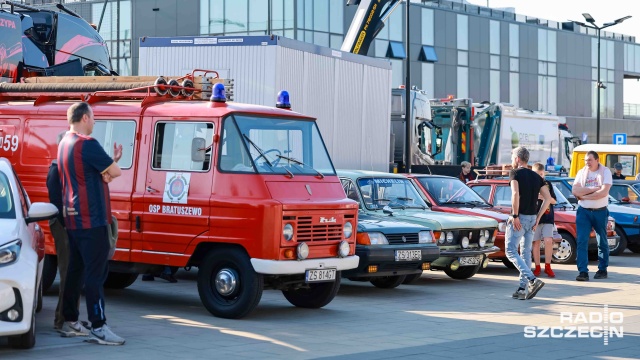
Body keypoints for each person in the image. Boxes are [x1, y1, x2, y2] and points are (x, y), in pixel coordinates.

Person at [57, 102, 125, 345]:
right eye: (94, 117)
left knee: (75, 271)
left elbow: (93, 173)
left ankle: (71, 321)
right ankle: (99, 325)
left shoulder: (64, 143)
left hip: (73, 219)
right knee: (96, 274)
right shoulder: (88, 144)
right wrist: (112, 165)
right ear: (85, 117)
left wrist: (109, 164)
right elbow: (115, 173)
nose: (95, 122)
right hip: (92, 219)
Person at [506, 146, 552, 300]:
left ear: (518, 159)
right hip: (532, 218)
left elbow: (515, 193)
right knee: (525, 252)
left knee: (510, 250)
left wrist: (515, 215)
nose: (512, 160)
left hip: (520, 217)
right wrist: (538, 218)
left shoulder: (515, 173)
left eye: (512, 157)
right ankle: (521, 288)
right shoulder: (536, 176)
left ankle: (532, 280)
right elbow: (548, 199)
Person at [571, 150, 612, 281]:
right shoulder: (582, 172)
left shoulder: (605, 172)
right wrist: (594, 189)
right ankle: (583, 272)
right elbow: (575, 190)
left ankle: (602, 269)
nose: (587, 162)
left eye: (589, 160)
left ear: (597, 160)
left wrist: (583, 195)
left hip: (600, 211)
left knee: (602, 241)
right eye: (585, 160)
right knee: (582, 240)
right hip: (584, 211)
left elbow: (603, 192)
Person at [531, 163, 557, 278]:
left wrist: (546, 198)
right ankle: (537, 267)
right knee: (535, 242)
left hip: (547, 217)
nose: (540, 177)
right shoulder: (531, 184)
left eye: (541, 174)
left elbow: (554, 201)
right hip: (535, 217)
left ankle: (548, 266)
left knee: (548, 240)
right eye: (537, 175)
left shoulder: (548, 184)